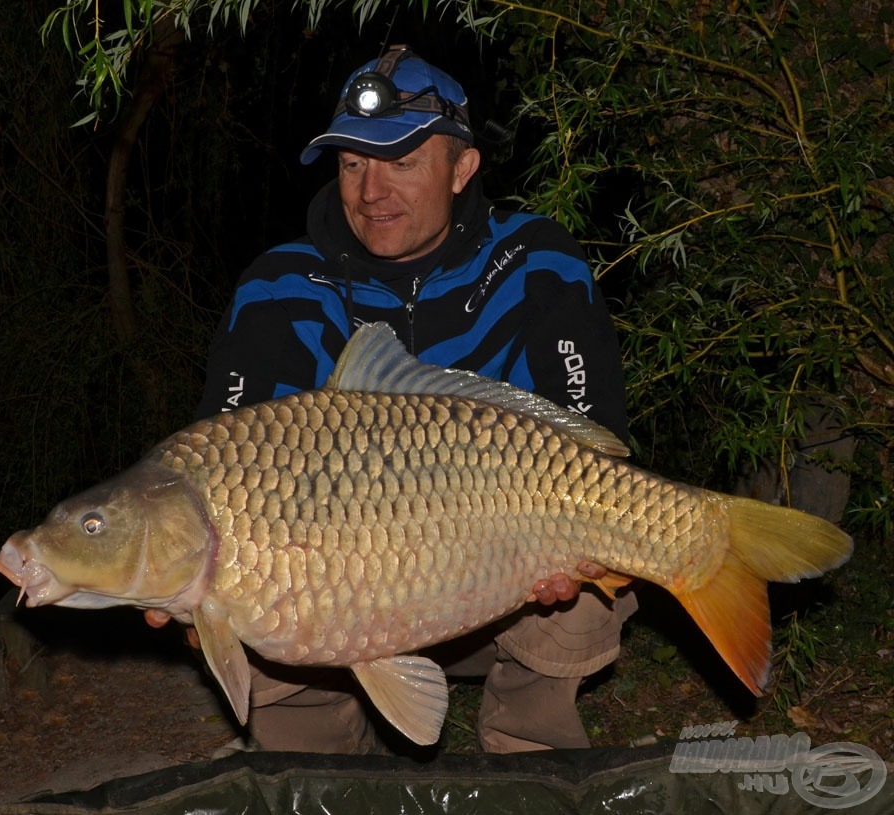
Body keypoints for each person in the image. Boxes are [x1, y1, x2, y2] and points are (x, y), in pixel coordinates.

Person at [146, 44, 637, 754]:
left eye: (401, 163)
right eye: (352, 164)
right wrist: (180, 572)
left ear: (462, 167)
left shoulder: (539, 266)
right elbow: (216, 474)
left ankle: (531, 755)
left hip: (495, 592)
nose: (371, 191)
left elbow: (597, 442)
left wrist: (568, 548)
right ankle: (322, 762)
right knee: (244, 598)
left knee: (603, 545)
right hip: (335, 606)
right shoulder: (277, 288)